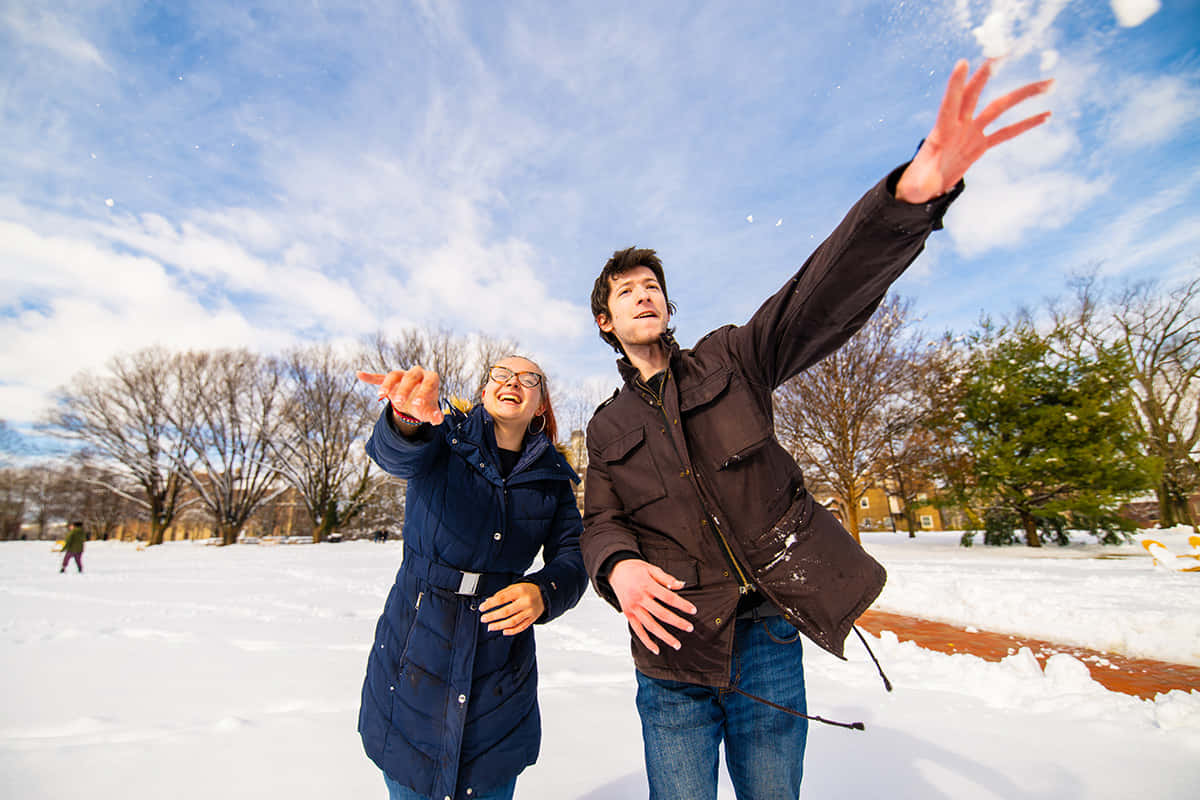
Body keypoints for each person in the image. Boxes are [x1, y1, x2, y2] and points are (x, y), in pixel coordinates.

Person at [580, 59, 1053, 800]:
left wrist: (907, 201)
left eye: (654, 287)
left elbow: (816, 298)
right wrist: (617, 567)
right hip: (670, 654)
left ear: (669, 307)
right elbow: (599, 519)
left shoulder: (732, 358)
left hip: (766, 634)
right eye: (626, 291)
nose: (646, 295)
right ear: (606, 321)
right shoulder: (606, 427)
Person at [356, 356, 588, 800]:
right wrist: (404, 418)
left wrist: (545, 590)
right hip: (416, 646)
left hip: (500, 661)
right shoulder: (443, 432)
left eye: (529, 379)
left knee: (488, 777)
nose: (513, 383)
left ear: (540, 404)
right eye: (501, 375)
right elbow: (397, 453)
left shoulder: (554, 479)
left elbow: (574, 554)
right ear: (484, 391)